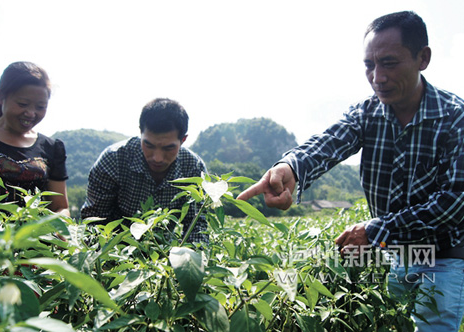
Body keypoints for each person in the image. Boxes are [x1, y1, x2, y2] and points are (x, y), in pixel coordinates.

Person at [237, 11, 464, 331]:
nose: (377, 77)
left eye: (389, 63)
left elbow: (454, 203)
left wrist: (374, 230)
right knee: (393, 321)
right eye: (369, 65)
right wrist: (290, 167)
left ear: (422, 58)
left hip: (441, 255)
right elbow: (328, 143)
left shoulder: (455, 118)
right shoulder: (366, 113)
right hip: (396, 253)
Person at [81, 98, 208, 244]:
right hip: (113, 250)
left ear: (183, 140)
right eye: (149, 145)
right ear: (140, 132)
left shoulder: (193, 168)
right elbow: (94, 222)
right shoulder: (114, 160)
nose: (158, 158)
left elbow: (196, 227)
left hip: (162, 254)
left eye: (168, 148)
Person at [0, 61, 70, 217]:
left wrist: (61, 231)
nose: (31, 113)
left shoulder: (51, 148)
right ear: (1, 97)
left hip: (31, 239)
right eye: (23, 104)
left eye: (40, 107)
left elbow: (60, 207)